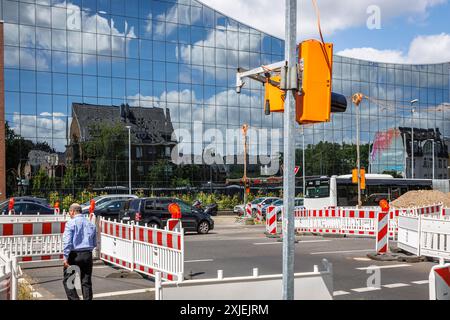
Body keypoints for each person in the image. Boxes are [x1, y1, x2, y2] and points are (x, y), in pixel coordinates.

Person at [62, 203, 97, 300]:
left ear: (72, 211)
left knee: (68, 281)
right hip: (87, 255)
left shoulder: (70, 223)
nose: (69, 214)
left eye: (69, 212)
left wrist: (65, 257)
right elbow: (94, 243)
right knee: (86, 282)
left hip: (74, 255)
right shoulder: (90, 223)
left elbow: (67, 242)